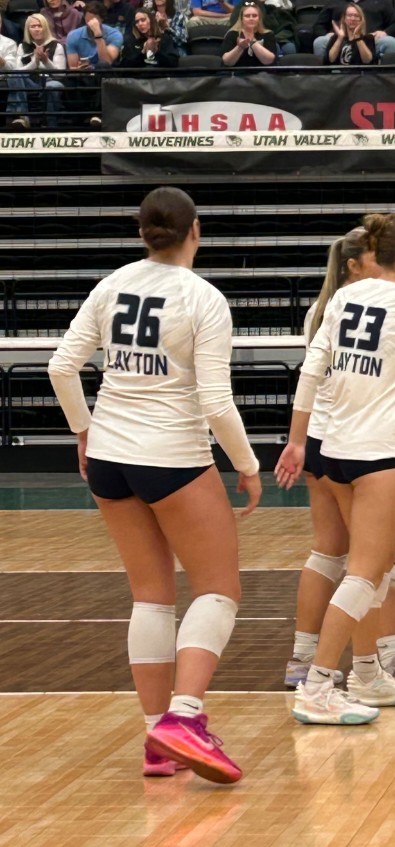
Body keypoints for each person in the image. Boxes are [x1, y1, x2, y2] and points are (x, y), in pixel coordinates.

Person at [47, 187, 262, 785]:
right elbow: (217, 403)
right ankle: (184, 718)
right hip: (171, 455)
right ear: (196, 230)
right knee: (218, 590)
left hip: (111, 455)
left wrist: (83, 432)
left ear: (142, 231)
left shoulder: (111, 284)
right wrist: (247, 465)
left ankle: (154, 737)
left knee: (150, 596)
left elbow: (61, 366)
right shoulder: (203, 298)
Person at [275, 213, 395, 726]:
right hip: (377, 453)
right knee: (364, 571)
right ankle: (316, 685)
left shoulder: (342, 296)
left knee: (374, 566)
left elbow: (313, 371)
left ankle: (366, 673)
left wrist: (297, 440)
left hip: (331, 448)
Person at [64, 2, 122, 128]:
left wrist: (98, 35)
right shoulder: (74, 36)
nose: (90, 22)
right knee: (70, 77)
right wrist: (80, 69)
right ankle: (76, 120)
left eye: (94, 19)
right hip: (84, 75)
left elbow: (106, 61)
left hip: (104, 76)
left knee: (102, 67)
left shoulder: (114, 34)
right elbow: (72, 66)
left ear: (101, 19)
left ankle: (96, 114)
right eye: (88, 18)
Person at [8, 14, 66, 130]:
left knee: (52, 86)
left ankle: (51, 124)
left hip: (50, 80)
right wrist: (34, 63)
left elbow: (61, 74)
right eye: (32, 26)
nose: (36, 29)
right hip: (30, 81)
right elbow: (17, 70)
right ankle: (23, 117)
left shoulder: (56, 45)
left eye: (39, 26)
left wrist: (45, 60)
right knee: (14, 75)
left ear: (45, 27)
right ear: (28, 29)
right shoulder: (22, 47)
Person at [227, 0, 297, 54]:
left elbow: (285, 26)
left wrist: (272, 38)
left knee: (289, 47)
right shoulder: (242, 7)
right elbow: (237, 26)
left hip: (274, 38)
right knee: (274, 47)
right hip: (247, 38)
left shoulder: (271, 8)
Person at [221, 0, 277, 65]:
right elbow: (227, 62)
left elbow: (269, 61)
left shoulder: (268, 34)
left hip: (262, 73)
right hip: (237, 73)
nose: (251, 18)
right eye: (247, 16)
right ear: (242, 19)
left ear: (259, 18)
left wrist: (253, 43)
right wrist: (240, 47)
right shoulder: (232, 34)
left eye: (254, 16)